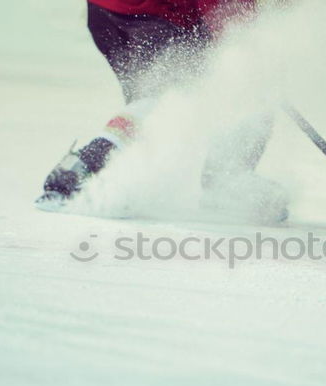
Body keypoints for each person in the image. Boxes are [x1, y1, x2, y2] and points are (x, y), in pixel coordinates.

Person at [37, 0, 288, 223]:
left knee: (154, 101)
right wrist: (251, 51)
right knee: (174, 96)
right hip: (153, 14)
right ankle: (85, 166)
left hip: (105, 12)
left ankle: (114, 175)